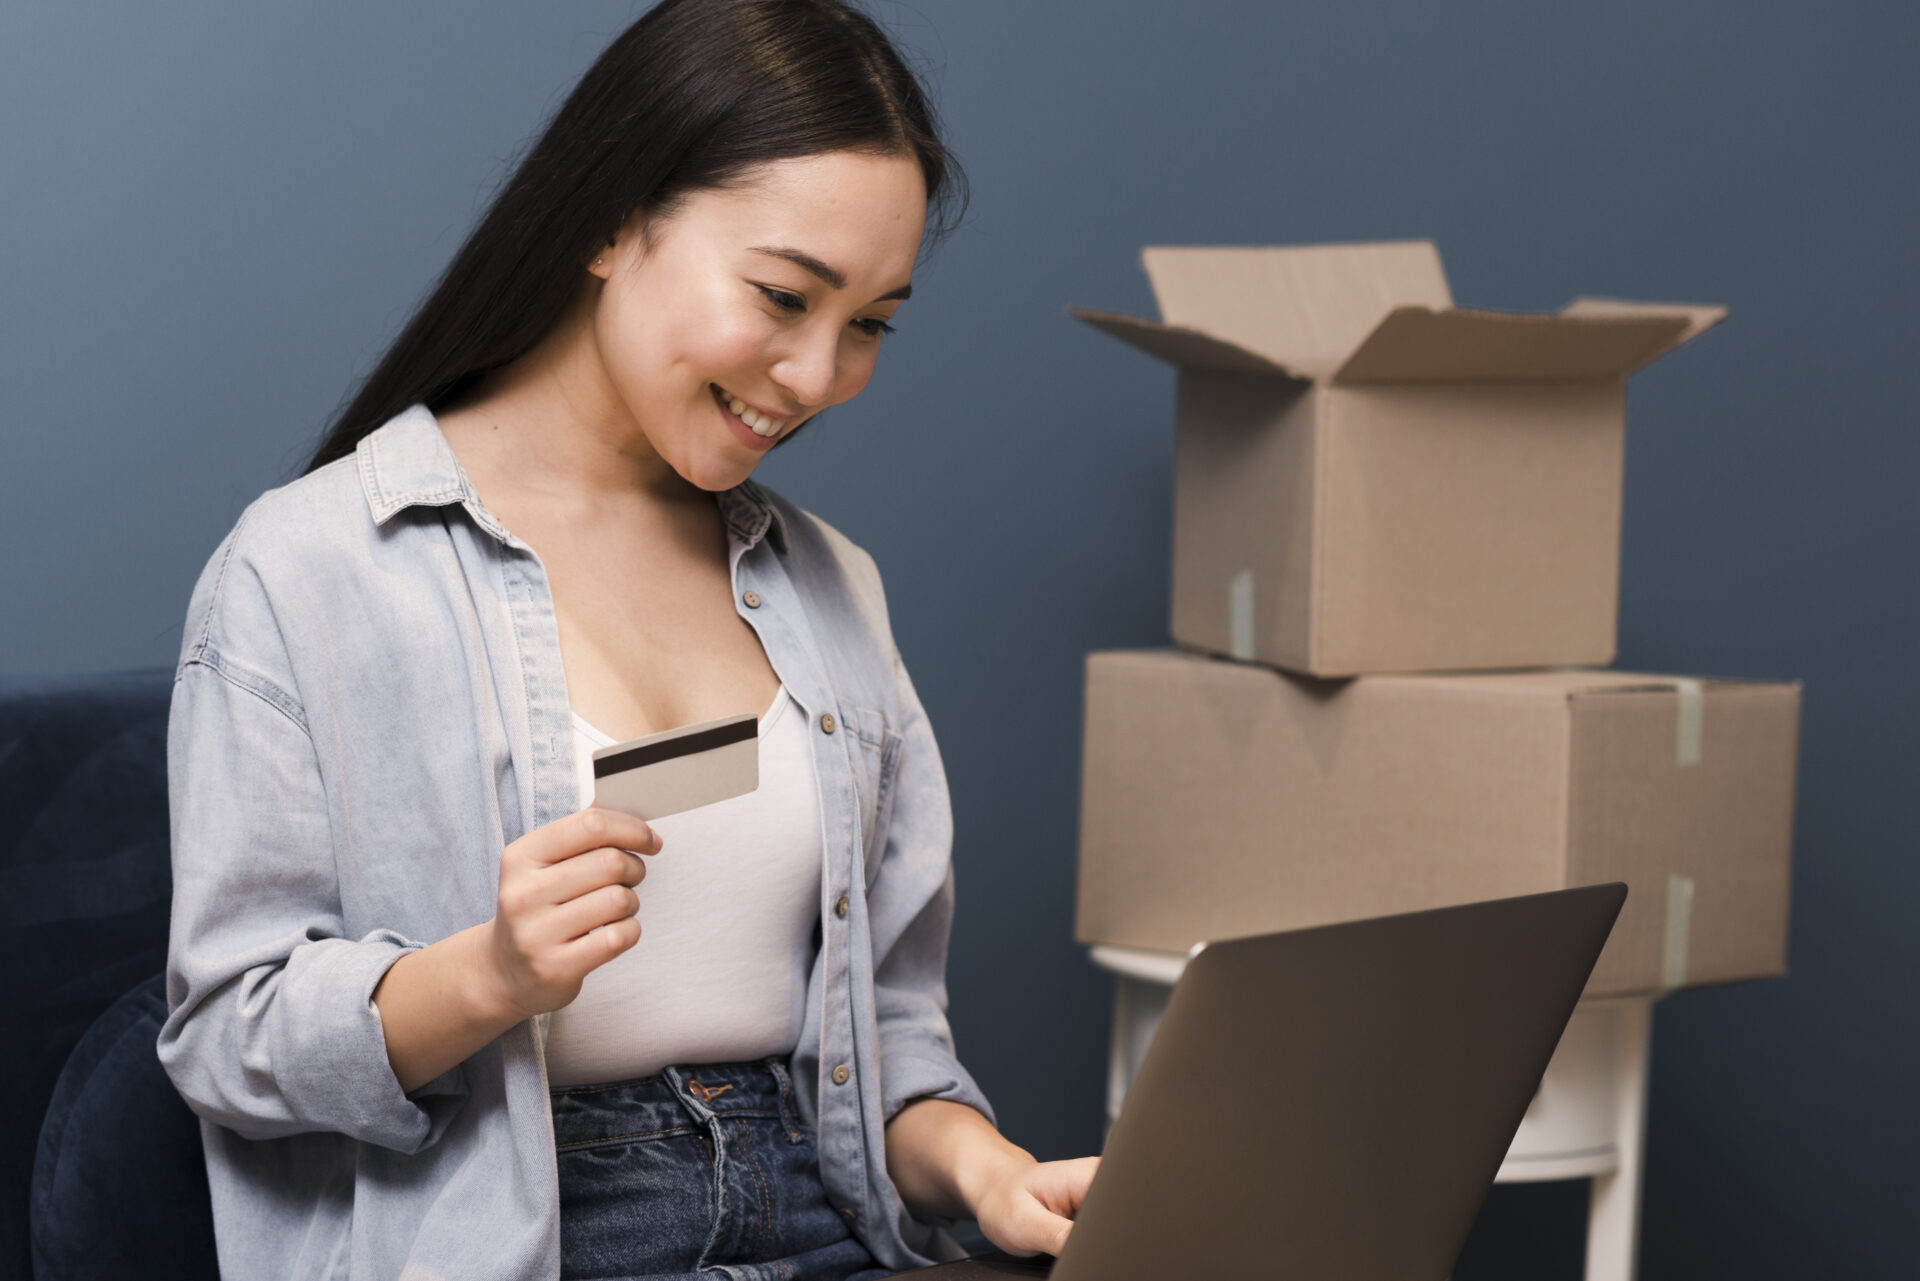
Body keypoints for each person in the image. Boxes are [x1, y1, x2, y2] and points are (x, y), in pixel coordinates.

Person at [156, 2, 1097, 1278]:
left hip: (821, 1214)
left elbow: (886, 1035)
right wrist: (483, 976)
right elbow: (227, 1035)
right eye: (782, 295)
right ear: (614, 219)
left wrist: (991, 1175)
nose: (816, 376)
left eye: (870, 322)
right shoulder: (310, 569)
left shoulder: (834, 592)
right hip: (524, 1234)